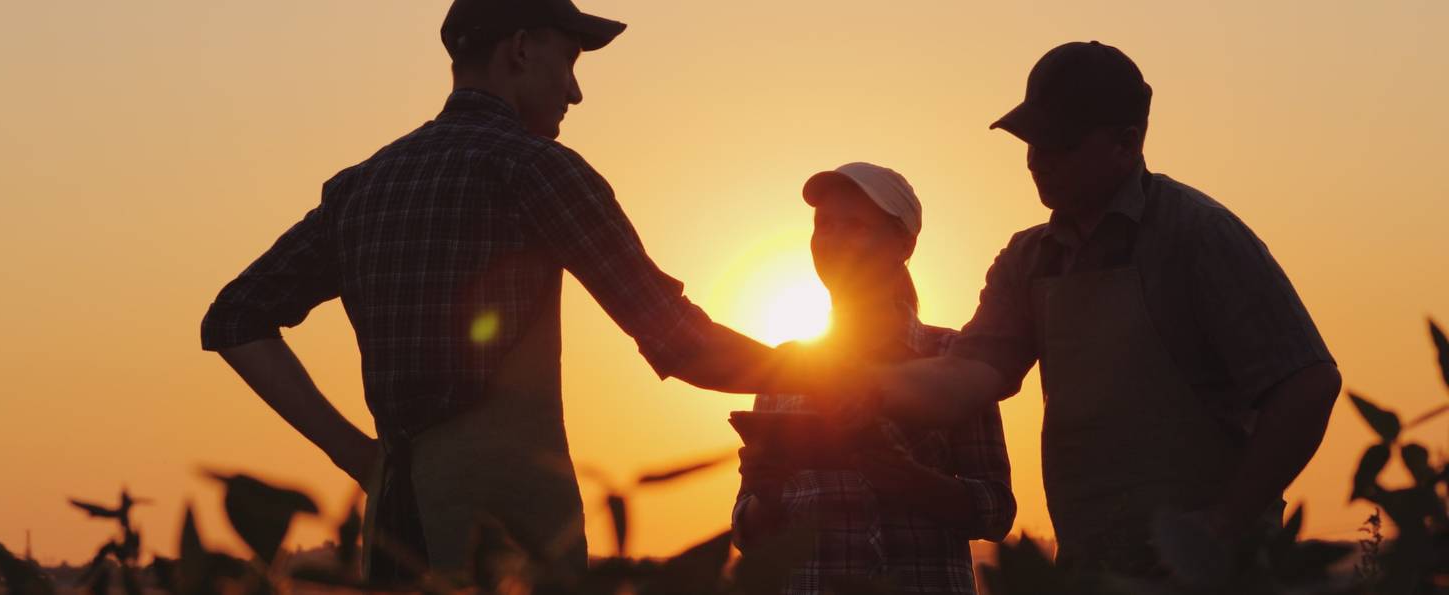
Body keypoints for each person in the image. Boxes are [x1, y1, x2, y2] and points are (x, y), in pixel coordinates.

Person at [198, 0, 844, 584]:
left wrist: (360, 457)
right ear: (521, 49)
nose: (576, 91)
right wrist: (833, 376)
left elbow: (234, 318)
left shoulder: (361, 187)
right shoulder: (536, 169)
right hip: (509, 543)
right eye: (568, 61)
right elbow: (680, 340)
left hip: (394, 538)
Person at [861, 42, 1342, 576]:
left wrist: (1225, 524)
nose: (1038, 160)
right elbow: (965, 378)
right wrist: (841, 381)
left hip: (1216, 573)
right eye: (1030, 141)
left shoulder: (1199, 235)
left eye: (1059, 143)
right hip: (1092, 570)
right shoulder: (1029, 259)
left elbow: (1308, 384)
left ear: (1127, 143)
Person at [732, 163, 1015, 594]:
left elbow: (996, 511)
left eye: (856, 225)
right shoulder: (783, 368)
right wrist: (767, 494)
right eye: (824, 224)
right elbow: (748, 532)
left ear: (903, 242)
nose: (834, 239)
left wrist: (907, 478)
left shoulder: (953, 358)